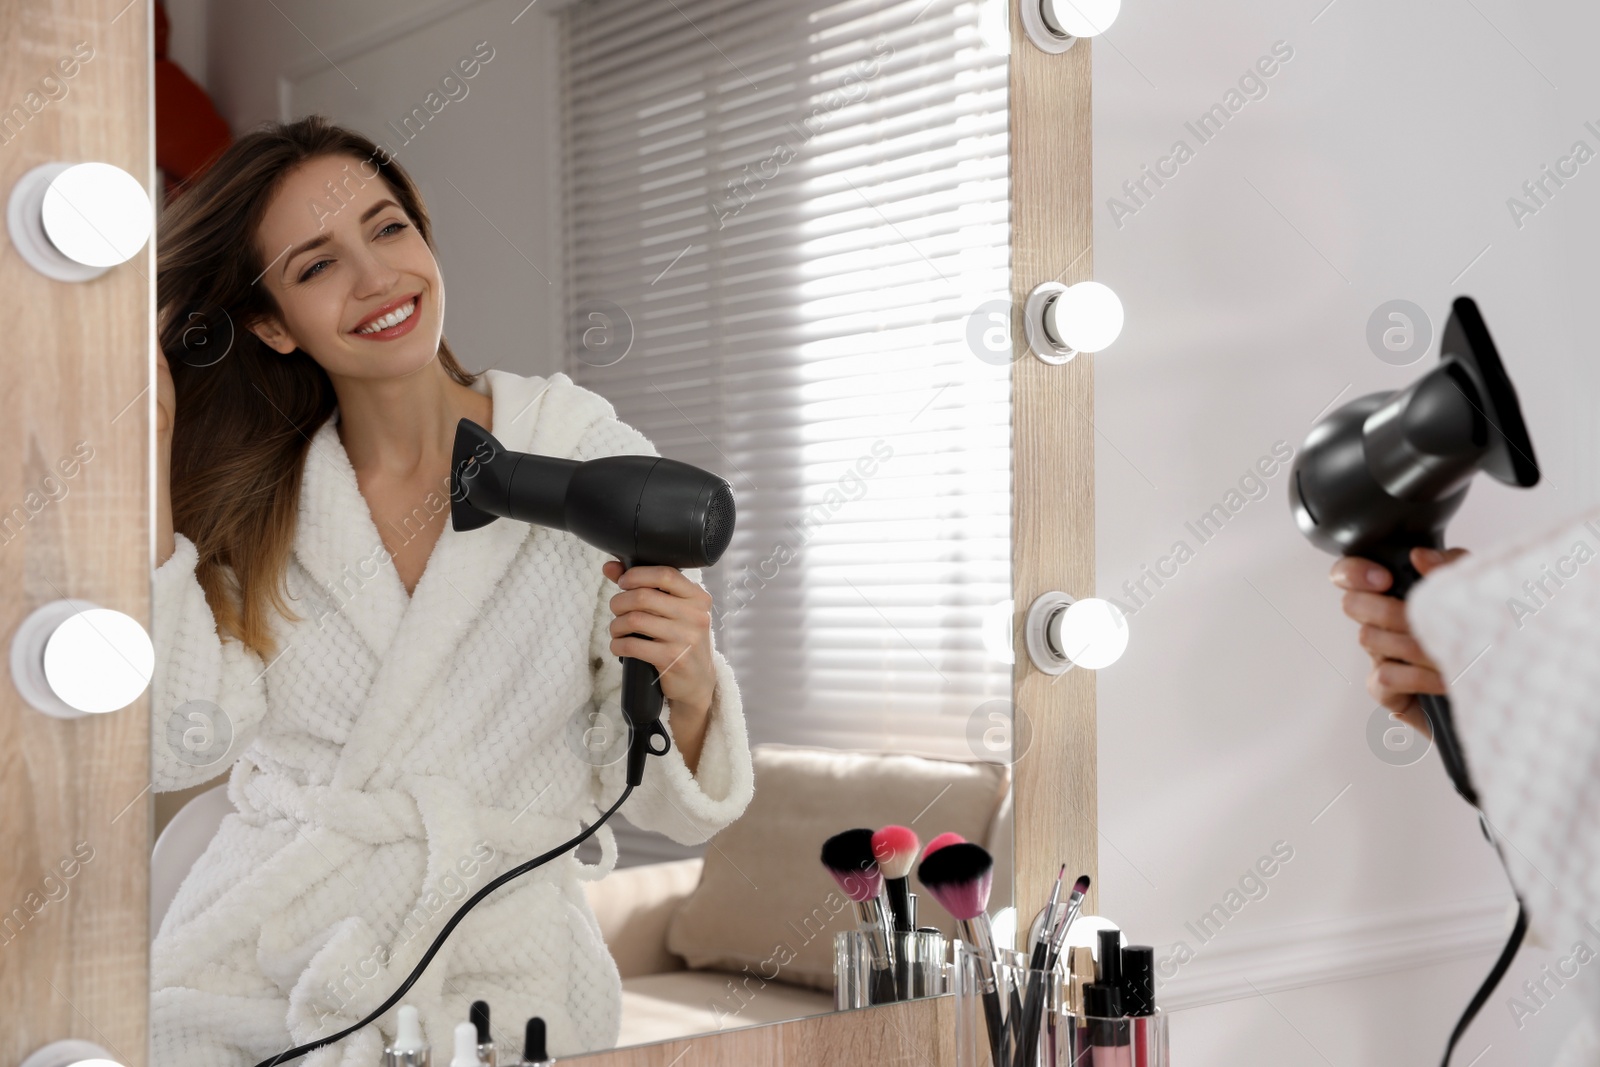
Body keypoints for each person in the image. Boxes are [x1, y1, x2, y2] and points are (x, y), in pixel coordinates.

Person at [151, 115, 754, 1066]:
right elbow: (172, 741)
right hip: (263, 954)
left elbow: (672, 809)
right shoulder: (259, 505)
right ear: (271, 323)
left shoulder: (579, 448)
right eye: (316, 266)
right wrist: (150, 495)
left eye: (388, 228)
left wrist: (688, 684)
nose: (377, 278)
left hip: (502, 970)